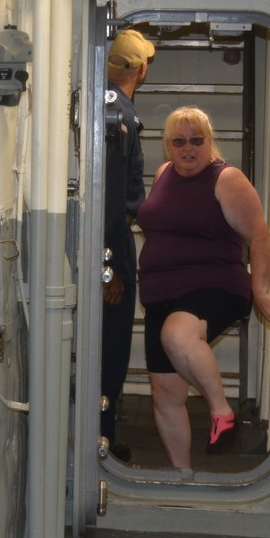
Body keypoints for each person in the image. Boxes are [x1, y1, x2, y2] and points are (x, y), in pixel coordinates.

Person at [137, 106, 270, 470]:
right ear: (168, 146)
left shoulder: (226, 178)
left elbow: (259, 237)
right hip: (160, 294)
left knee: (178, 336)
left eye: (196, 140)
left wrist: (261, 291)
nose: (188, 149)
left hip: (215, 285)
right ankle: (182, 475)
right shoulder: (163, 174)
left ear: (210, 142)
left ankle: (222, 412)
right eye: (179, 142)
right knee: (166, 394)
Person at [100, 28, 154, 460]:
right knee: (111, 346)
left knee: (105, 344)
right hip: (112, 242)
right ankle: (101, 439)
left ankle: (100, 432)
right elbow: (111, 199)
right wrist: (110, 267)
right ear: (142, 68)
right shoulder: (119, 116)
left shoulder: (107, 107)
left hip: (107, 238)